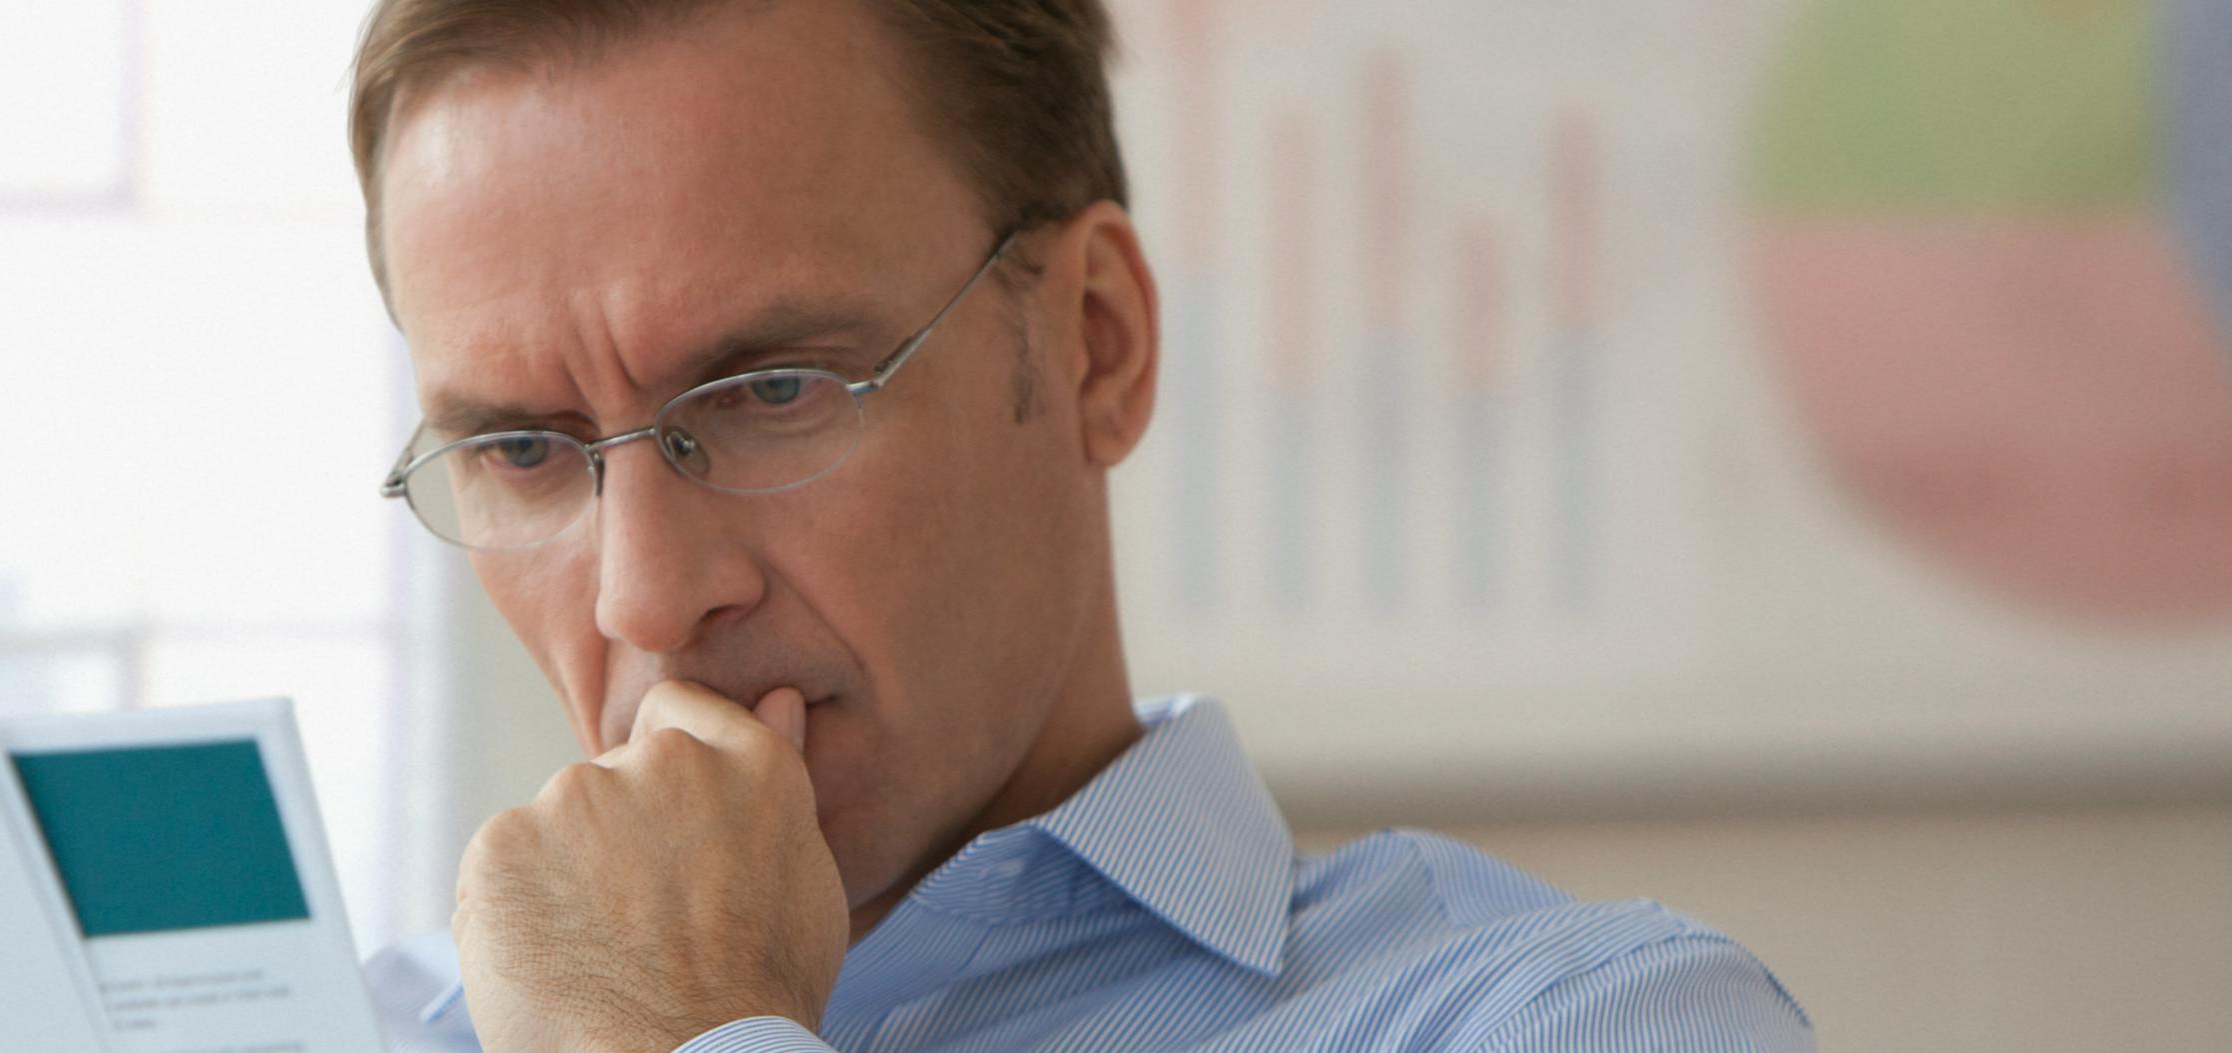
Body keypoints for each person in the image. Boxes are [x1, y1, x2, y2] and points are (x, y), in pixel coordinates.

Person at [347, 0, 1812, 1049]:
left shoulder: (1580, 1017)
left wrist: (674, 1040)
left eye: (772, 389)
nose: (644, 601)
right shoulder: (332, 1021)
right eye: (523, 449)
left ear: (1095, 345)